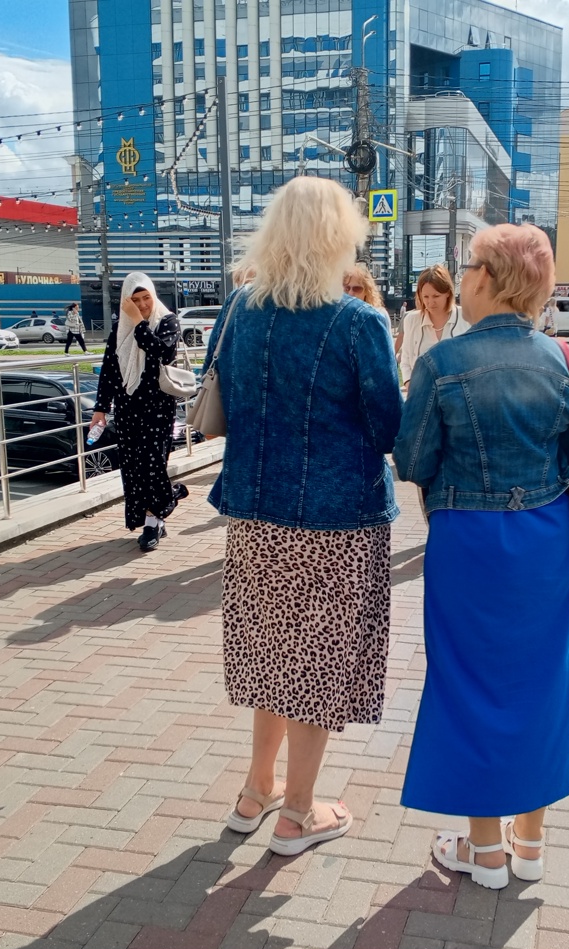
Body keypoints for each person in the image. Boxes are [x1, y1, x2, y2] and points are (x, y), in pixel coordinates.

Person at [203, 176, 402, 856]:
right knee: (316, 662)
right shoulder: (359, 322)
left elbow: (224, 395)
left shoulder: (240, 309)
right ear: (339, 237)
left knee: (270, 654)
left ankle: (255, 790)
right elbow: (386, 427)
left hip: (256, 514)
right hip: (335, 520)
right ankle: (298, 812)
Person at [393, 223, 569, 891]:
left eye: (469, 265)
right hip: (545, 541)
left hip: (469, 542)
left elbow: (413, 460)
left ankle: (485, 853)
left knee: (469, 685)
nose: (464, 275)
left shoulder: (442, 364)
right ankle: (529, 845)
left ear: (490, 278)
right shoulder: (562, 360)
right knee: (542, 686)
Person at [88, 273, 187, 550]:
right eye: (135, 300)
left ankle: (155, 519)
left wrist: (139, 323)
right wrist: (100, 408)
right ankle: (157, 511)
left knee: (153, 464)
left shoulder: (166, 321)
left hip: (158, 408)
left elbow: (162, 352)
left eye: (146, 298)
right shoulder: (120, 329)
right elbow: (109, 371)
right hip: (127, 407)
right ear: (125, 301)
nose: (142, 304)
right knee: (133, 468)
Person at [397, 264, 466, 388]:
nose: (430, 302)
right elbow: (405, 360)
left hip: (458, 394)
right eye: (426, 297)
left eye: (436, 296)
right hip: (422, 393)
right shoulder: (411, 320)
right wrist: (409, 385)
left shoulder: (465, 317)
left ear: (448, 293)